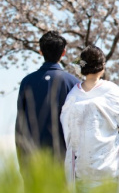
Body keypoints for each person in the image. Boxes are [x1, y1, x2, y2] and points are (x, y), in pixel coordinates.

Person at [60, 45, 119, 193]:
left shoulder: (73, 95)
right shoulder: (110, 89)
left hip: (83, 167)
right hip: (108, 164)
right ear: (102, 67)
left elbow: (66, 127)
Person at [15, 31, 80, 177]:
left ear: (40, 51)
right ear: (63, 52)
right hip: (65, 159)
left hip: (33, 158)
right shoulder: (73, 83)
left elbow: (21, 123)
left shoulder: (27, 82)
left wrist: (22, 160)